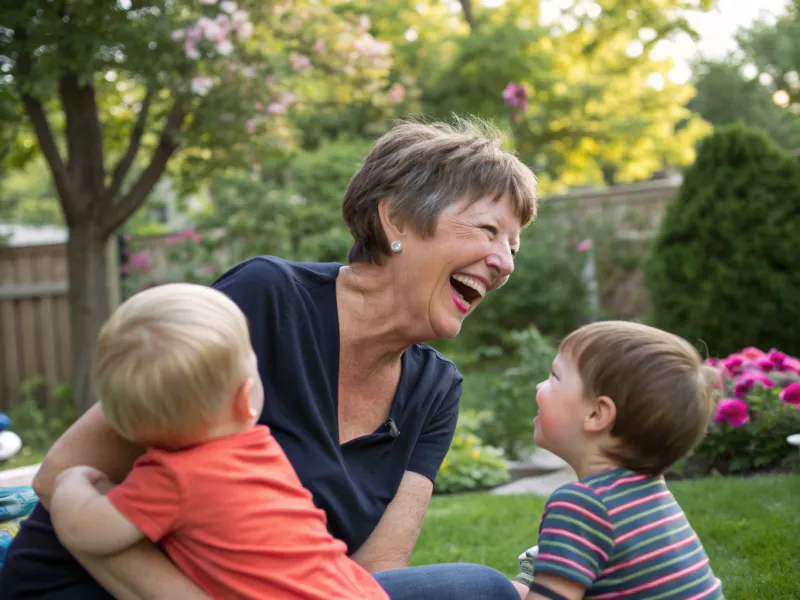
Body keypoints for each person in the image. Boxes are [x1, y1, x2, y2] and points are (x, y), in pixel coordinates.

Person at [0, 117, 538, 600]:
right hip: (101, 584)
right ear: (397, 220)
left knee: (481, 589)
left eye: (513, 246)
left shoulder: (434, 388)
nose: (504, 262)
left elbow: (373, 574)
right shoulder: (268, 298)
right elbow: (61, 475)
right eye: (489, 231)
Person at [48, 282, 391, 600]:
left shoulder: (171, 478)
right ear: (246, 399)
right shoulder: (260, 449)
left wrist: (72, 481)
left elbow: (84, 527)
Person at [510, 321, 724, 600]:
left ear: (597, 415)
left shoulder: (582, 504)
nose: (540, 386)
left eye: (554, 377)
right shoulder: (650, 493)